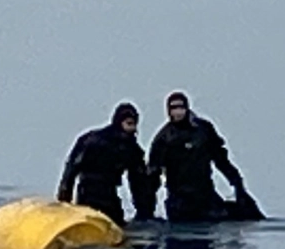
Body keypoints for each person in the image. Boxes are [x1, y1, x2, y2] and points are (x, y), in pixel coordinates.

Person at [147, 91, 262, 223]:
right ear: (168, 111)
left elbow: (221, 160)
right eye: (173, 108)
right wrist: (146, 209)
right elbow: (153, 175)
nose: (177, 112)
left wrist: (237, 184)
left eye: (181, 107)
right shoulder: (163, 139)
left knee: (243, 215)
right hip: (180, 201)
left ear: (187, 108)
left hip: (205, 195)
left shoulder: (204, 130)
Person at [57, 102, 156, 225]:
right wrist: (64, 201)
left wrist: (144, 213)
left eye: (134, 124)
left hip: (108, 195)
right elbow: (71, 170)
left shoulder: (131, 149)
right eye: (129, 124)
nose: (133, 129)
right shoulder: (92, 141)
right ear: (119, 122)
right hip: (88, 194)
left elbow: (138, 183)